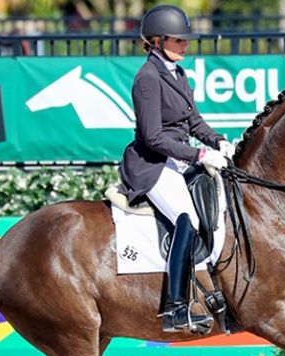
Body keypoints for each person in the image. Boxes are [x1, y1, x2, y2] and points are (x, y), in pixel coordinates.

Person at [117, 4, 235, 334]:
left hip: (177, 159)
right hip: (151, 164)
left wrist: (219, 141)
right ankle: (175, 308)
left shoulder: (177, 73)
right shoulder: (148, 78)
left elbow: (193, 121)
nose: (186, 45)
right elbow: (153, 137)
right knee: (189, 218)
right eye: (178, 40)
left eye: (185, 40)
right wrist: (200, 155)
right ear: (157, 40)